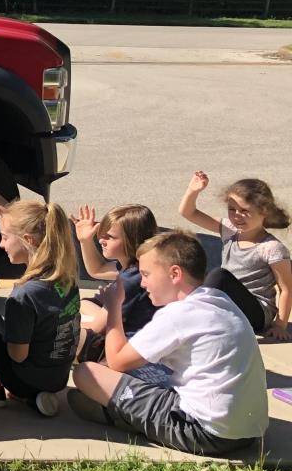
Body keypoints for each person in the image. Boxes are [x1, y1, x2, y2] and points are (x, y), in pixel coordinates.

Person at [70, 229, 268, 456]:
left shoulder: (179, 314)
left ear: (175, 274)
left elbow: (117, 362)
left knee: (86, 373)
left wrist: (114, 305)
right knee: (136, 368)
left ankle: (120, 414)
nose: (142, 284)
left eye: (146, 274)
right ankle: (120, 406)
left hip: (205, 432)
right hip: (250, 431)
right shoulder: (219, 299)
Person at [0, 150, 81, 415]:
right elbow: (10, 218)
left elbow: (17, 355)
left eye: (3, 238)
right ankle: (35, 396)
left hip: (24, 379)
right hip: (57, 379)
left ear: (29, 240)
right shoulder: (66, 275)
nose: (0, 244)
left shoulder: (25, 294)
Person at [178, 172, 291, 339]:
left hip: (256, 315)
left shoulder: (271, 248)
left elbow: (287, 288)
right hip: (229, 306)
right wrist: (193, 190)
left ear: (264, 212)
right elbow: (188, 212)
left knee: (218, 275)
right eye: (232, 209)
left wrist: (280, 325)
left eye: (244, 211)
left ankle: (188, 319)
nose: (237, 215)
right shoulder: (230, 230)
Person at [73, 203, 161, 369]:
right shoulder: (139, 265)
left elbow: (94, 329)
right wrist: (85, 240)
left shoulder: (130, 281)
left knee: (61, 335)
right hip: (134, 337)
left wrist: (63, 324)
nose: (101, 240)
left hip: (128, 349)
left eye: (110, 237)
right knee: (84, 303)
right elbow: (97, 270)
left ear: (132, 240)